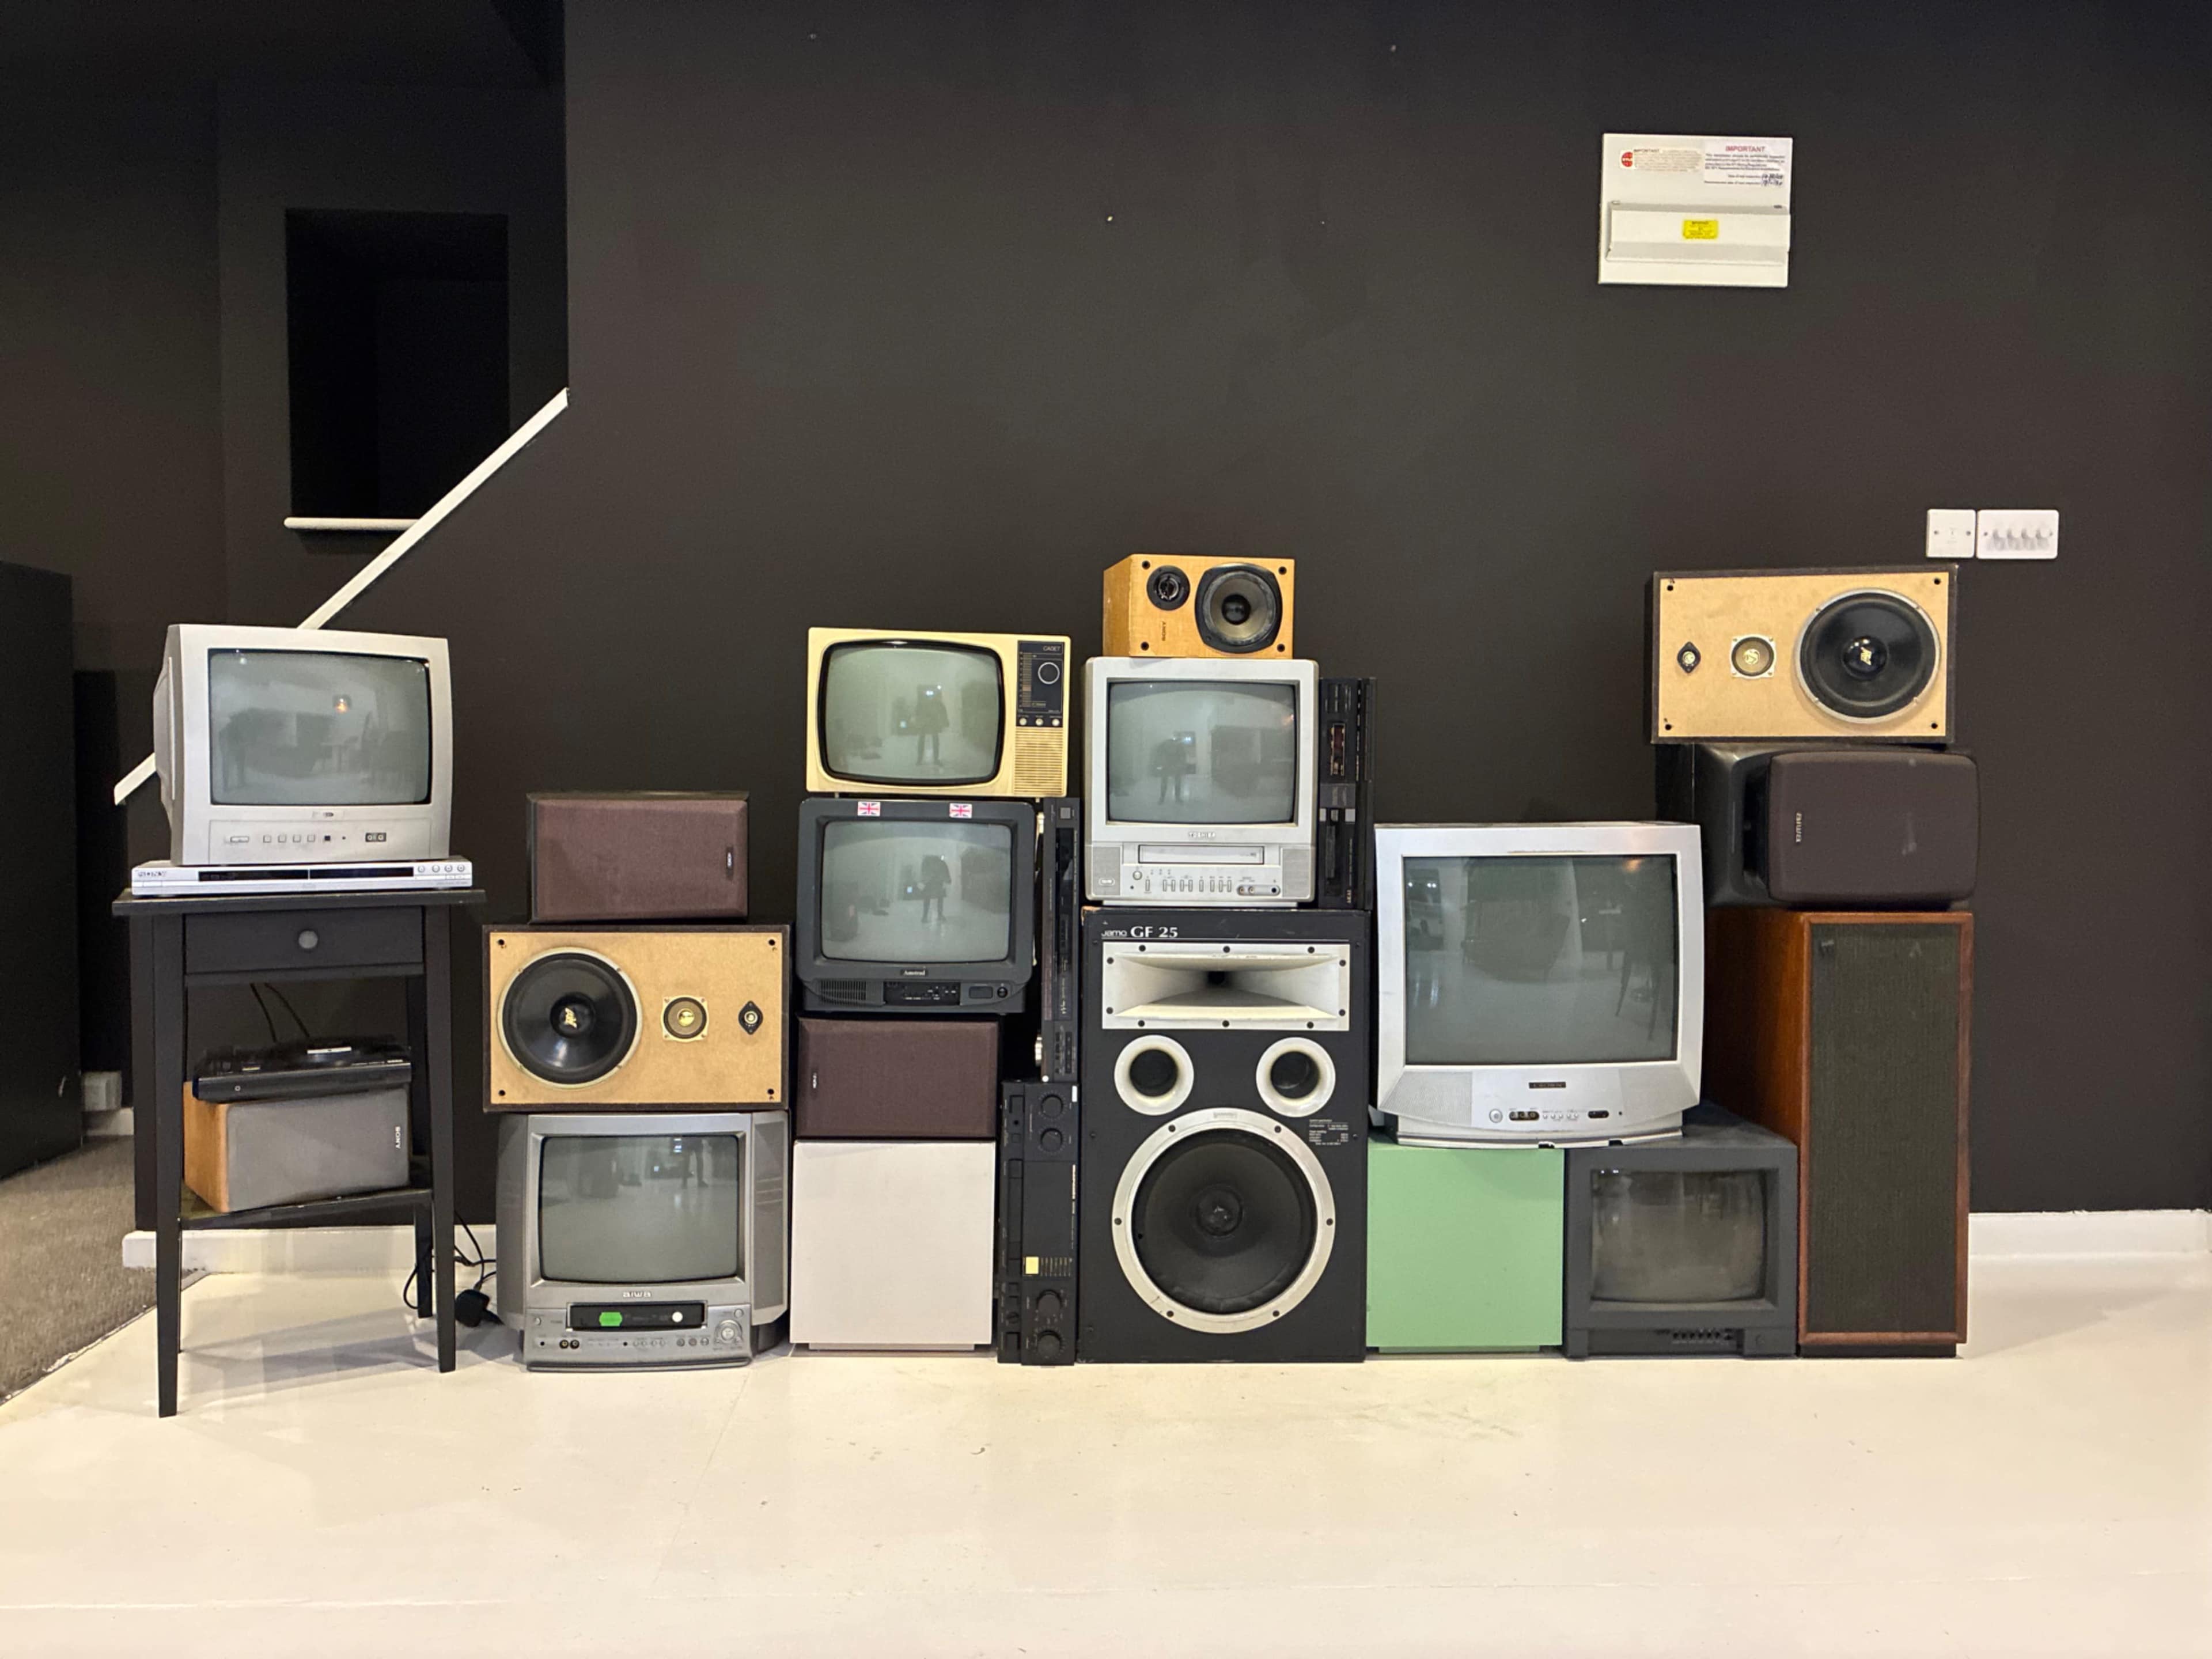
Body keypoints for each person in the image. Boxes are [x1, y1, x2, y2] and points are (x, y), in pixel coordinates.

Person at [912, 683, 949, 768]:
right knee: (928, 739)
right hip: (929, 722)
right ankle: (925, 759)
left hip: (930, 722)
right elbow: (942, 710)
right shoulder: (934, 701)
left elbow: (942, 710)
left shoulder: (925, 702)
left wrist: (945, 720)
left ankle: (923, 759)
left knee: (929, 739)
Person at [915, 852, 952, 923]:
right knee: (940, 899)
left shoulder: (926, 861)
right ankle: (940, 915)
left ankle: (925, 917)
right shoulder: (941, 862)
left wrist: (923, 881)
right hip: (938, 883)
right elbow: (945, 872)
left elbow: (923, 872)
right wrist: (948, 880)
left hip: (929, 883)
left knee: (927, 900)